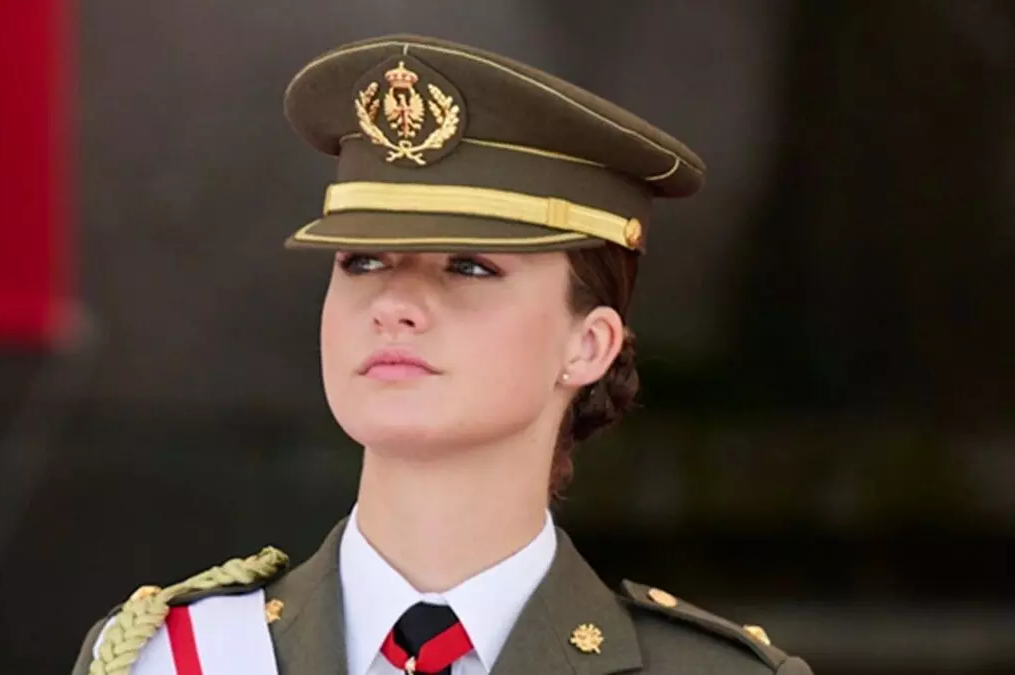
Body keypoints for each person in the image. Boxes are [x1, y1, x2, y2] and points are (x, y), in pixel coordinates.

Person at [72, 34, 814, 675]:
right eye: (362, 260)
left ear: (589, 344)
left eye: (468, 266)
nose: (393, 303)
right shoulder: (170, 658)